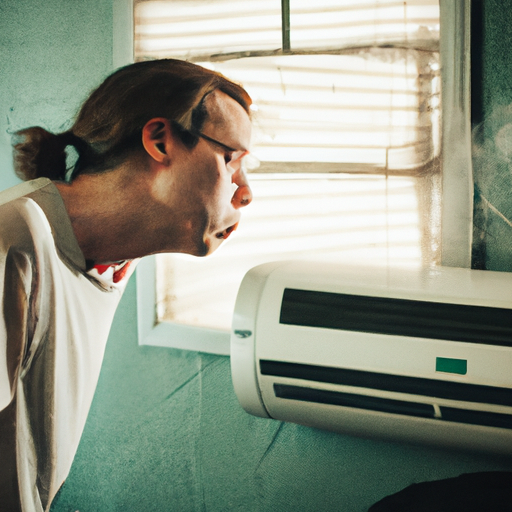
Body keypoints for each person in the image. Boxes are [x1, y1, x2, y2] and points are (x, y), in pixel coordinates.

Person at [0, 58, 253, 512]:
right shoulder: (14, 240)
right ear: (159, 140)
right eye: (231, 158)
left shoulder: (113, 262)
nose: (246, 192)